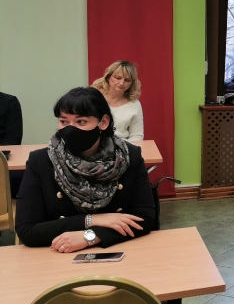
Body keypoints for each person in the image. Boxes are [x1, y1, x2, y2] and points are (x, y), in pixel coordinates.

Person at [15, 87, 154, 252]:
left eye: (81, 122)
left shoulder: (128, 156)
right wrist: (91, 220)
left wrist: (91, 236)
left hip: (117, 250)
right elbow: (27, 230)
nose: (70, 129)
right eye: (64, 122)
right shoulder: (41, 161)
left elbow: (145, 218)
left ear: (103, 122)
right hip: (58, 254)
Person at [92, 60, 144, 141]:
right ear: (108, 77)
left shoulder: (134, 104)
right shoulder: (93, 97)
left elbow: (137, 135)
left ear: (132, 83)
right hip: (95, 144)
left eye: (127, 80)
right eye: (118, 78)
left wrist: (125, 148)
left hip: (122, 146)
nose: (122, 83)